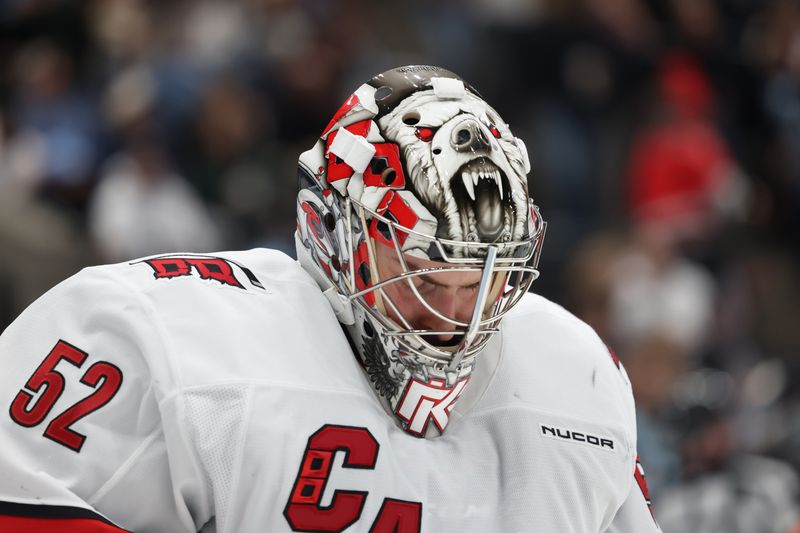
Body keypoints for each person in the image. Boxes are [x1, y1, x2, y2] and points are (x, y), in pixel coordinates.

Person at [0, 65, 659, 532]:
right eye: (427, 280)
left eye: (487, 285)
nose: (457, 323)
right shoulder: (153, 334)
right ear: (331, 231)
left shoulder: (576, 375)